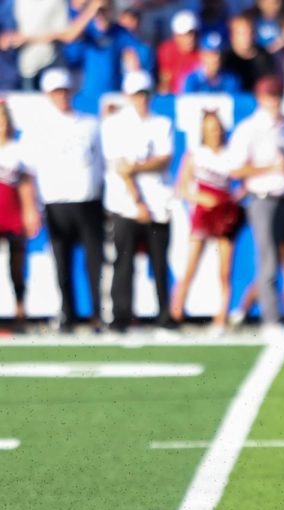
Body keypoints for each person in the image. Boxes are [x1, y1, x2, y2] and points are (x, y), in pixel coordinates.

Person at [228, 75, 284, 336]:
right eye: (270, 96)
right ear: (260, 98)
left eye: (277, 95)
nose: (275, 101)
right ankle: (271, 320)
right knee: (268, 263)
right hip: (265, 199)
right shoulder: (249, 128)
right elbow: (234, 169)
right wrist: (270, 167)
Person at [25, 67, 105, 333]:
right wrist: (33, 207)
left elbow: (102, 164)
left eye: (64, 91)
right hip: (56, 202)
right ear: (48, 95)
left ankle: (98, 314)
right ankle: (67, 314)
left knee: (94, 262)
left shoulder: (90, 124)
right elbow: (30, 171)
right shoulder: (38, 129)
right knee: (62, 263)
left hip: (88, 200)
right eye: (55, 92)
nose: (61, 96)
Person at [102, 70, 176, 332]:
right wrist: (138, 202)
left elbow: (164, 158)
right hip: (127, 204)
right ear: (128, 96)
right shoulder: (114, 124)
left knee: (159, 263)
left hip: (159, 203)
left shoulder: (162, 123)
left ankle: (164, 317)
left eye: (144, 94)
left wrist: (136, 166)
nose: (141, 99)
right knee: (123, 263)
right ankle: (120, 317)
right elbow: (122, 169)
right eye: (136, 94)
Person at [171, 110, 243, 331]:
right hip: (202, 214)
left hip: (223, 216)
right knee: (190, 265)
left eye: (217, 128)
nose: (214, 132)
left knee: (225, 269)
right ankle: (175, 313)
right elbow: (182, 188)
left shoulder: (231, 155)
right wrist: (200, 197)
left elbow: (243, 183)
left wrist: (232, 201)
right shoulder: (195, 155)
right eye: (209, 129)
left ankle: (221, 317)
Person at [0, 100, 39, 331]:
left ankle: (20, 311)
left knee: (17, 265)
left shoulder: (18, 149)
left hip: (12, 211)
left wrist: (30, 211)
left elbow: (25, 183)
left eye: (4, 122)